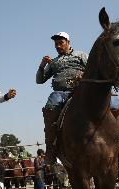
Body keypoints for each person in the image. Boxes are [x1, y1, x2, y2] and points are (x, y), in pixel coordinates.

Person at [36, 32, 88, 166]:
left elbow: (92, 70)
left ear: (68, 43)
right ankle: (51, 148)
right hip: (61, 93)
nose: (58, 46)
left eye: (61, 43)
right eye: (56, 44)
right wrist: (42, 66)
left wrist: (83, 76)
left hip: (82, 90)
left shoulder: (81, 55)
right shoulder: (53, 62)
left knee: (113, 101)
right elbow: (39, 80)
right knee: (51, 103)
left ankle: (117, 143)